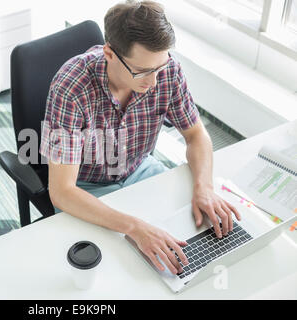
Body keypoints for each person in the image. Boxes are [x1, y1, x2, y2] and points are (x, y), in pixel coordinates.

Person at [39, 0, 241, 275]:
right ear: (109, 54)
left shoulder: (166, 71)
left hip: (141, 169)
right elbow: (62, 191)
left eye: (160, 67)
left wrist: (204, 187)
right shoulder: (71, 86)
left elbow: (196, 135)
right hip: (86, 187)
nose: (155, 81)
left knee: (190, 245)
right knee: (111, 273)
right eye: (143, 71)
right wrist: (134, 226)